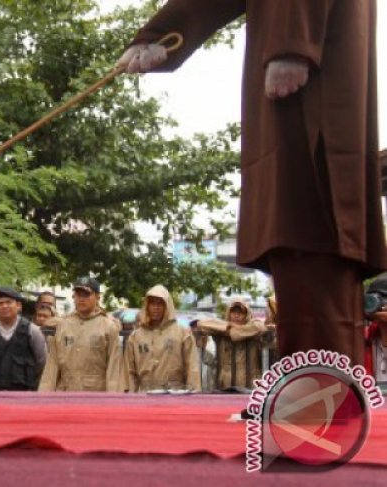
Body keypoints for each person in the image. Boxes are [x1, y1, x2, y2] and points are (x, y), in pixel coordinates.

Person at [118, 1, 387, 365]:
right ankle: (310, 392)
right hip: (297, 47)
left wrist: (294, 45)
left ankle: (322, 397)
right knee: (292, 236)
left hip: (313, 58)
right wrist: (162, 37)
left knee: (312, 227)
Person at [39, 277, 124, 392]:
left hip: (96, 395)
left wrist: (113, 401)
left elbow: (114, 369)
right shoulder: (63, 325)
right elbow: (52, 366)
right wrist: (44, 396)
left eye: (86, 295)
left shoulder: (108, 327)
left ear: (97, 297)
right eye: (78, 295)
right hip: (65, 393)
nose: (81, 299)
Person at [125, 285, 200, 393]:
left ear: (167, 306)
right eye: (152, 303)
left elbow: (192, 368)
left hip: (174, 394)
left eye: (160, 303)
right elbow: (130, 372)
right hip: (144, 395)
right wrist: (130, 398)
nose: (156, 307)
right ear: (147, 306)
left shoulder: (182, 333)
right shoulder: (136, 337)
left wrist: (193, 396)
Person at [0, 287, 47, 391]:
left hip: (22, 395)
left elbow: (42, 363)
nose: (4, 306)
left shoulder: (32, 331)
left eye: (9, 302)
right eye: (0, 303)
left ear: (18, 306)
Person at [195, 300, 274, 391]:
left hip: (249, 384)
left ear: (247, 315)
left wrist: (234, 331)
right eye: (233, 312)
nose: (236, 315)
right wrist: (228, 327)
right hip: (224, 384)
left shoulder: (254, 327)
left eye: (241, 313)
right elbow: (201, 324)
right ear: (229, 313)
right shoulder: (220, 328)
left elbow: (260, 327)